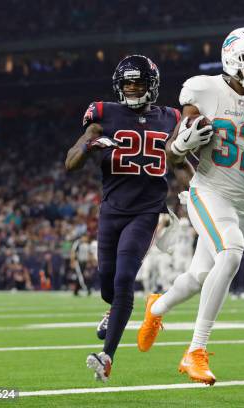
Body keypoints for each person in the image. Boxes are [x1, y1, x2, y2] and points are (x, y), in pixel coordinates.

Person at [136, 27, 244, 385]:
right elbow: (171, 154)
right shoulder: (203, 90)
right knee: (230, 254)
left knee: (200, 275)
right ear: (232, 60)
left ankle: (155, 308)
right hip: (208, 191)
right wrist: (182, 143)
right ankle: (195, 351)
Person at [65, 55, 184, 382]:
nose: (132, 89)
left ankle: (107, 358)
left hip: (146, 211)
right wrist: (90, 144)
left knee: (123, 280)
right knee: (108, 284)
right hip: (112, 211)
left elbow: (180, 160)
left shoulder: (171, 118)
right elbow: (70, 162)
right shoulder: (102, 113)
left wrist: (195, 191)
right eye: (128, 83)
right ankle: (113, 309)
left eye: (139, 83)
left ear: (152, 86)